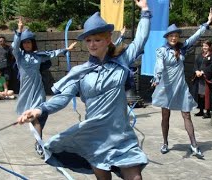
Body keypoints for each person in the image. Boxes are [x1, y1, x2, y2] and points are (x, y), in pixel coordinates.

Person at [17, 0, 151, 179]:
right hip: (94, 136)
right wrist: (39, 109)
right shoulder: (79, 72)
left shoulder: (122, 61)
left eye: (97, 39)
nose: (92, 44)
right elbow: (62, 98)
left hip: (120, 133)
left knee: (135, 177)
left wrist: (145, 11)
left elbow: (141, 38)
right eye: (88, 40)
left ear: (108, 39)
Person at [151, 8, 212, 158]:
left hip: (180, 87)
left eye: (176, 35)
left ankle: (194, 145)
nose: (174, 38)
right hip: (166, 88)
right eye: (171, 35)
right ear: (167, 37)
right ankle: (165, 143)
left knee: (187, 115)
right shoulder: (161, 51)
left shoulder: (183, 48)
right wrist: (157, 78)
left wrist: (207, 22)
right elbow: (159, 65)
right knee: (165, 116)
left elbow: (195, 36)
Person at [12, 17, 77, 156]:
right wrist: (19, 29)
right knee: (34, 117)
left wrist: (66, 49)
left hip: (38, 88)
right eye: (24, 43)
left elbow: (52, 53)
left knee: (40, 114)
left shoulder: (38, 56)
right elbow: (14, 45)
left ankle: (38, 141)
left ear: (32, 43)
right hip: (26, 89)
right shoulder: (19, 56)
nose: (27, 44)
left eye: (29, 42)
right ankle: (39, 142)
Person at [192, 40, 212, 119]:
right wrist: (196, 71)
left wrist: (203, 72)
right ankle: (201, 110)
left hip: (207, 77)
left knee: (207, 95)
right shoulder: (200, 55)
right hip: (199, 77)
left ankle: (207, 112)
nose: (204, 47)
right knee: (200, 94)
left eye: (206, 46)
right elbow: (196, 64)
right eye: (203, 46)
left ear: (210, 46)